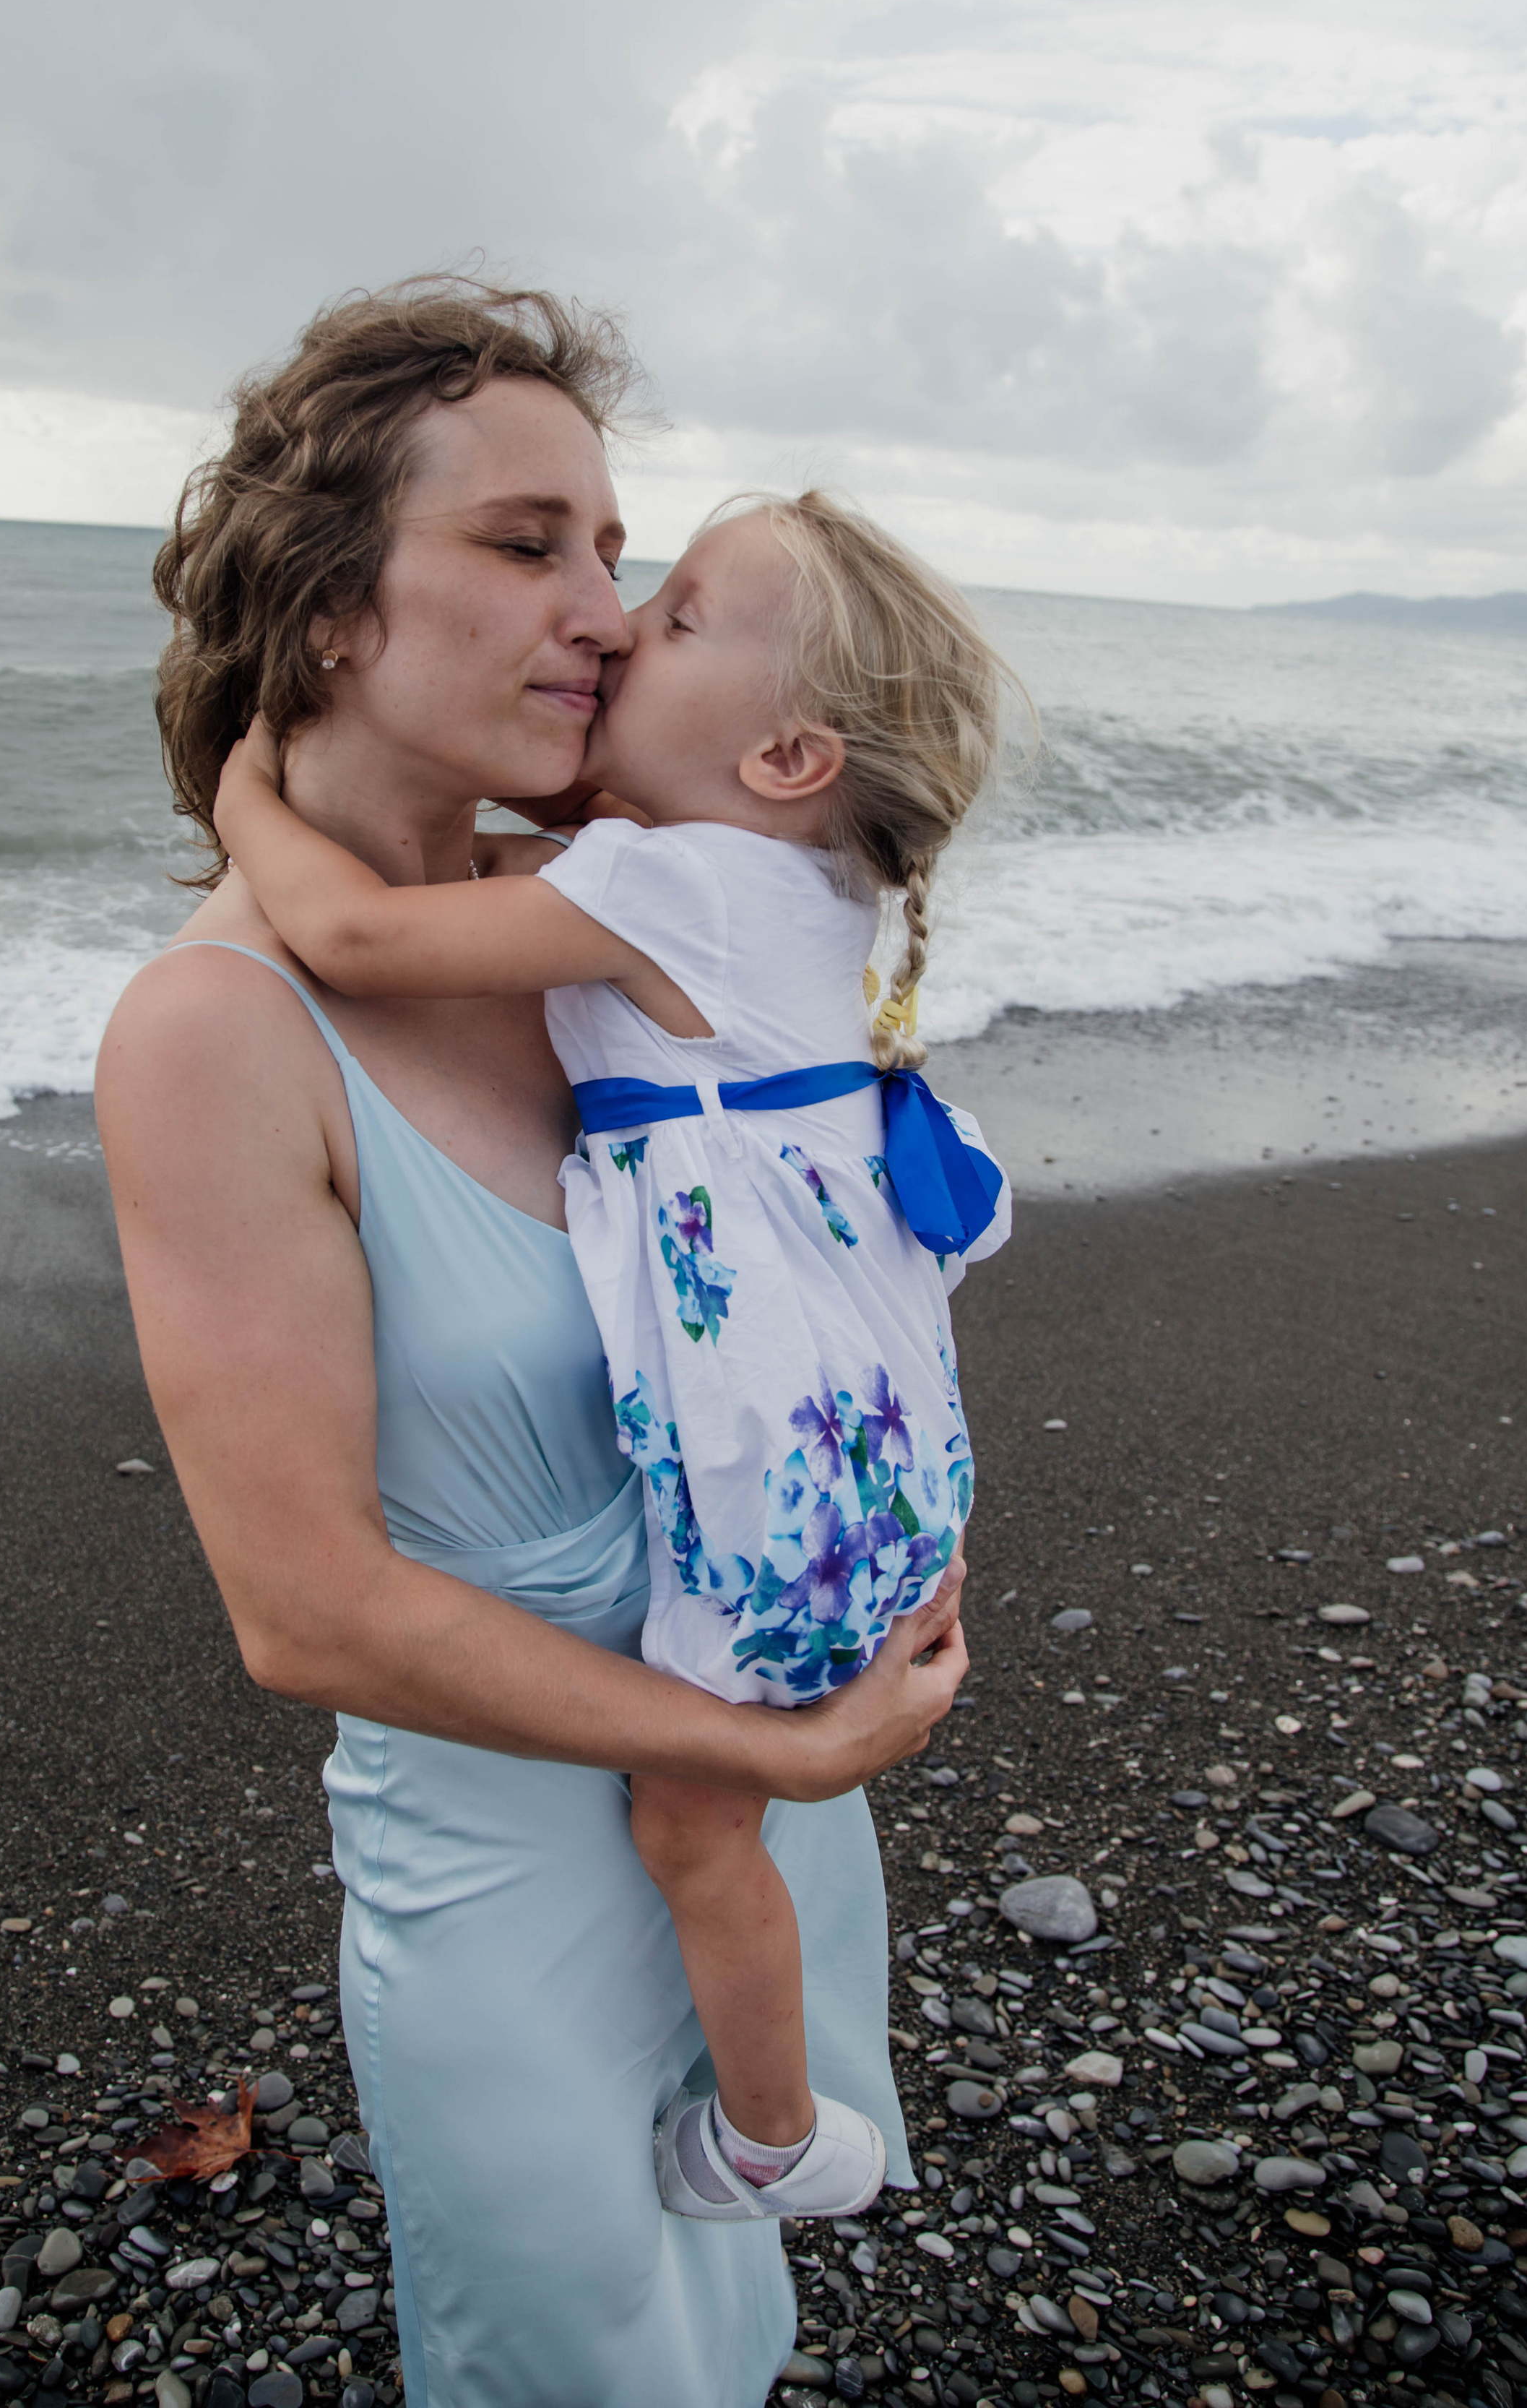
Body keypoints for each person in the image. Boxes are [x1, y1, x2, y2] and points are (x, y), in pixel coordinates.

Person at [97, 278, 972, 2408]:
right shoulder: (220, 1034)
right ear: (324, 610)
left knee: (731, 2320)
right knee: (578, 2354)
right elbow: (307, 1614)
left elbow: (802, 1257)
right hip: (532, 1867)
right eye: (526, 545)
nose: (599, 605)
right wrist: (757, 1755)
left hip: (764, 1781)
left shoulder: (617, 922)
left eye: (617, 552)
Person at [212, 487, 1012, 2227]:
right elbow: (503, 858)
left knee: (692, 1824)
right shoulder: (775, 879)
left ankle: (768, 2139)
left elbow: (350, 937)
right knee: (718, 1815)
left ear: (789, 754)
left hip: (778, 1463)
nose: (620, 625)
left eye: (679, 617)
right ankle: (786, 2110)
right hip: (871, 1435)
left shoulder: (664, 884)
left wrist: (240, 792)